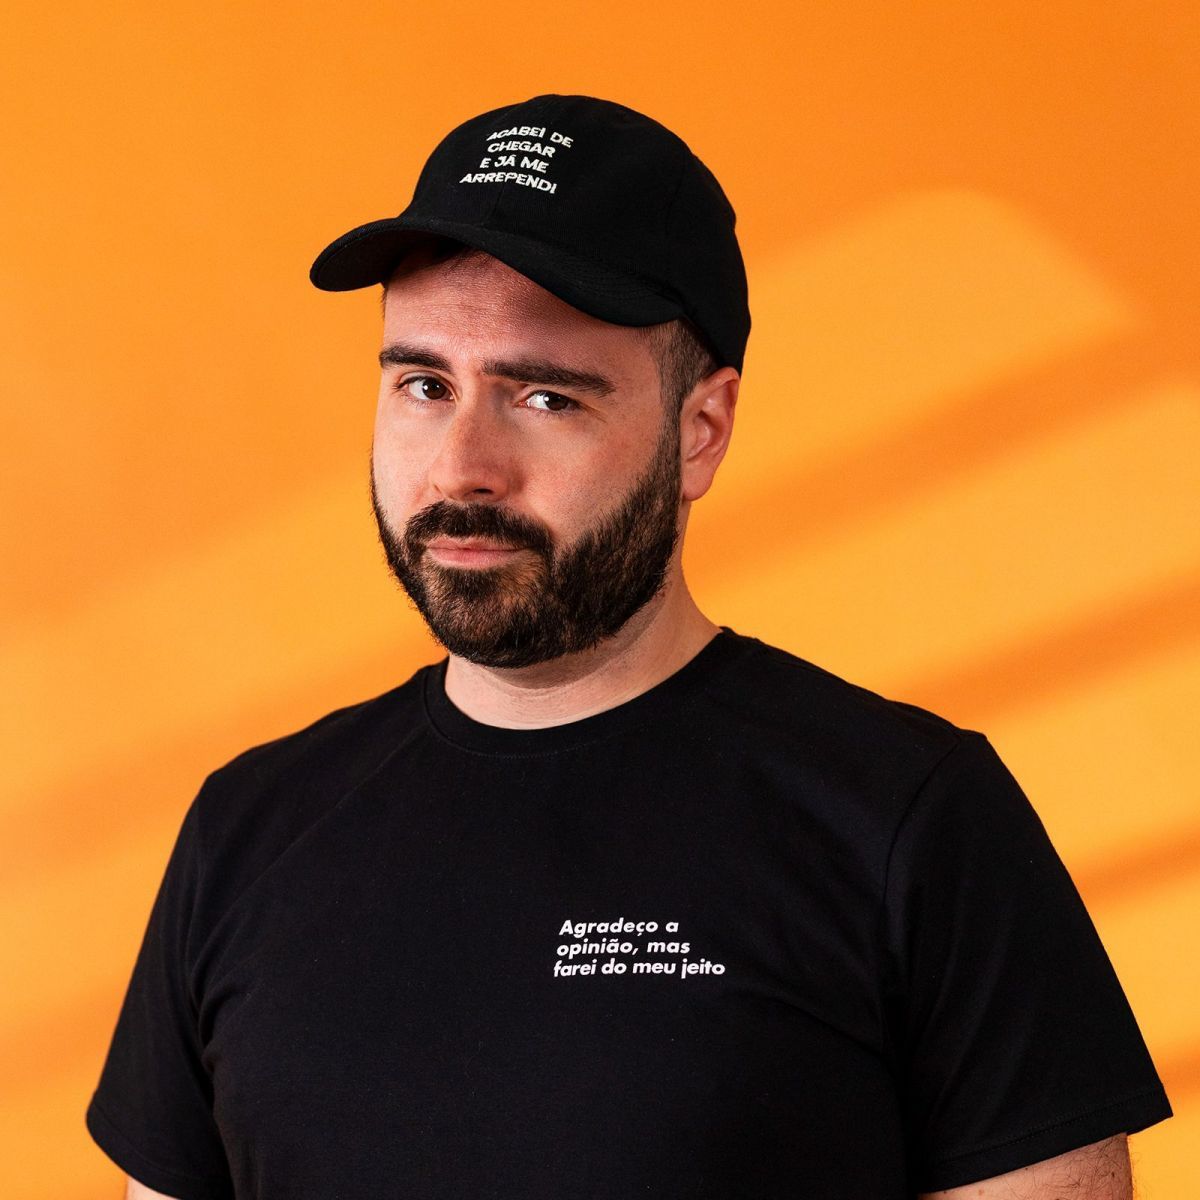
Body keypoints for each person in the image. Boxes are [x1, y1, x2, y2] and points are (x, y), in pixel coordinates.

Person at [86, 94, 1172, 1200]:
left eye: (544, 397)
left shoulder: (911, 820)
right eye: (423, 385)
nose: (461, 466)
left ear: (701, 431)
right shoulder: (247, 830)